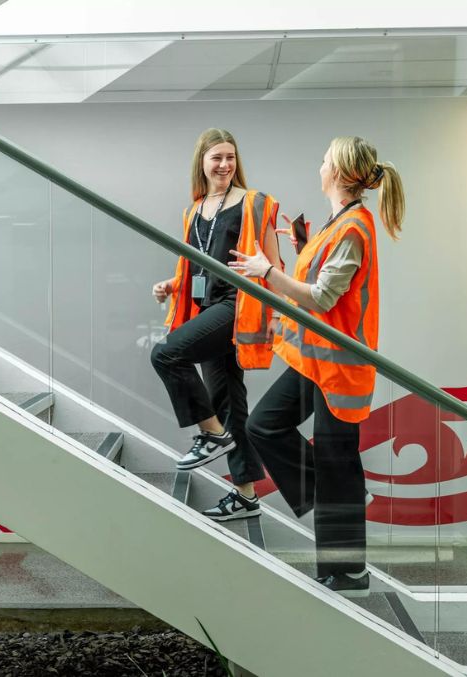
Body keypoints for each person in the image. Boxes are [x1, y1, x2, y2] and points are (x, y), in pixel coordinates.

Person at [228, 136, 404, 596]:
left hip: (338, 366)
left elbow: (323, 297)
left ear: (340, 174)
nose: (319, 164)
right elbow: (323, 281)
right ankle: (331, 497)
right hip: (315, 361)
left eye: (324, 159)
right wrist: (306, 244)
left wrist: (266, 271)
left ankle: (346, 572)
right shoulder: (338, 223)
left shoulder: (353, 227)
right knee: (265, 427)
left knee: (336, 460)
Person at [150, 128, 282, 521]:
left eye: (230, 157)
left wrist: (274, 314)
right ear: (202, 163)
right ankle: (245, 495)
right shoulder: (195, 209)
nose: (225, 165)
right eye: (217, 158)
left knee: (166, 355)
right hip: (208, 306)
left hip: (238, 306)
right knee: (229, 402)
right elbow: (198, 266)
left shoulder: (256, 203)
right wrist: (172, 285)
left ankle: (211, 433)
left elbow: (273, 263)